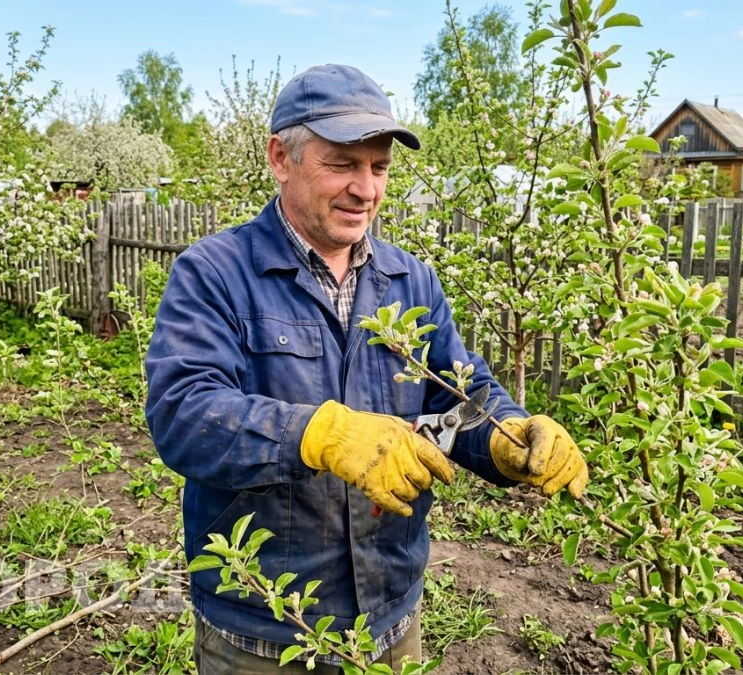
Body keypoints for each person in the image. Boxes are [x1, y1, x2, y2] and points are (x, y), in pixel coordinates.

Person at [144, 63, 589, 674]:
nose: (366, 189)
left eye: (378, 168)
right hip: (263, 622)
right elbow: (182, 411)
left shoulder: (410, 280)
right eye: (341, 164)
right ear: (281, 157)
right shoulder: (216, 273)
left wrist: (507, 435)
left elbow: (454, 399)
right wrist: (319, 435)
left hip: (389, 608)